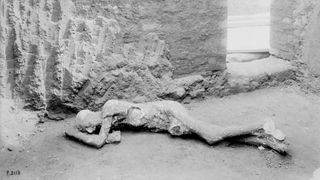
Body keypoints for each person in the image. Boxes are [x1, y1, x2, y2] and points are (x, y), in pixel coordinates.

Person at [65, 99, 288, 154]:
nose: (89, 129)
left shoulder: (108, 108)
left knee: (211, 135)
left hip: (168, 111)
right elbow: (112, 137)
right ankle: (265, 140)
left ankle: (262, 124)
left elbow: (98, 142)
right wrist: (111, 135)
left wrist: (72, 134)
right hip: (167, 124)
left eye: (85, 128)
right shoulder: (109, 119)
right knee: (214, 137)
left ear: (87, 124)